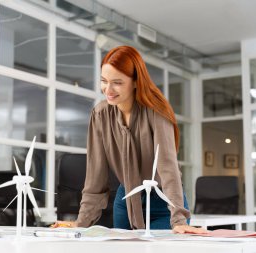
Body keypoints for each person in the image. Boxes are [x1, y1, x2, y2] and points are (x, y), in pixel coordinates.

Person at [52, 46, 206, 234]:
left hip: (162, 202)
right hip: (125, 200)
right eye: (103, 81)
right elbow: (95, 176)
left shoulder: (156, 111)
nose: (108, 89)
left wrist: (179, 220)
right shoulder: (100, 114)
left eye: (117, 82)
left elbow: (168, 169)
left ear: (135, 82)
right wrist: (81, 222)